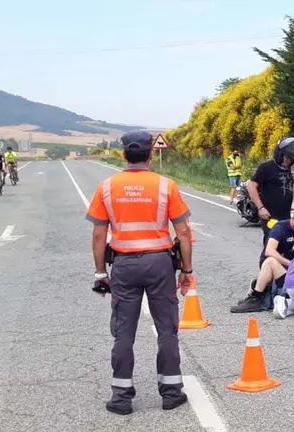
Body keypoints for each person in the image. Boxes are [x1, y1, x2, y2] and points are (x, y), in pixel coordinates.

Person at [85, 130, 194, 415]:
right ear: (150, 155)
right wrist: (186, 270)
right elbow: (183, 232)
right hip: (160, 264)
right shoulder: (166, 186)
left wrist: (100, 273)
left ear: (124, 155)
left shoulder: (106, 187)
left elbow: (98, 236)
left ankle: (121, 398)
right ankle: (171, 393)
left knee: (123, 332)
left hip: (124, 265)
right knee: (167, 329)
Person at [230, 206, 294, 313]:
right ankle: (256, 298)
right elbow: (269, 251)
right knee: (270, 261)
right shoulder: (280, 228)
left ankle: (260, 290)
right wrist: (289, 263)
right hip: (271, 262)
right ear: (293, 219)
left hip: (286, 266)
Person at [246, 137, 294, 246]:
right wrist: (260, 208)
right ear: (280, 154)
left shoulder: (287, 170)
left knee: (285, 245)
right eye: (287, 157)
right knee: (272, 244)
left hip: (285, 216)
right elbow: (251, 186)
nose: (288, 160)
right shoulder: (266, 168)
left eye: (292, 159)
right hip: (270, 216)